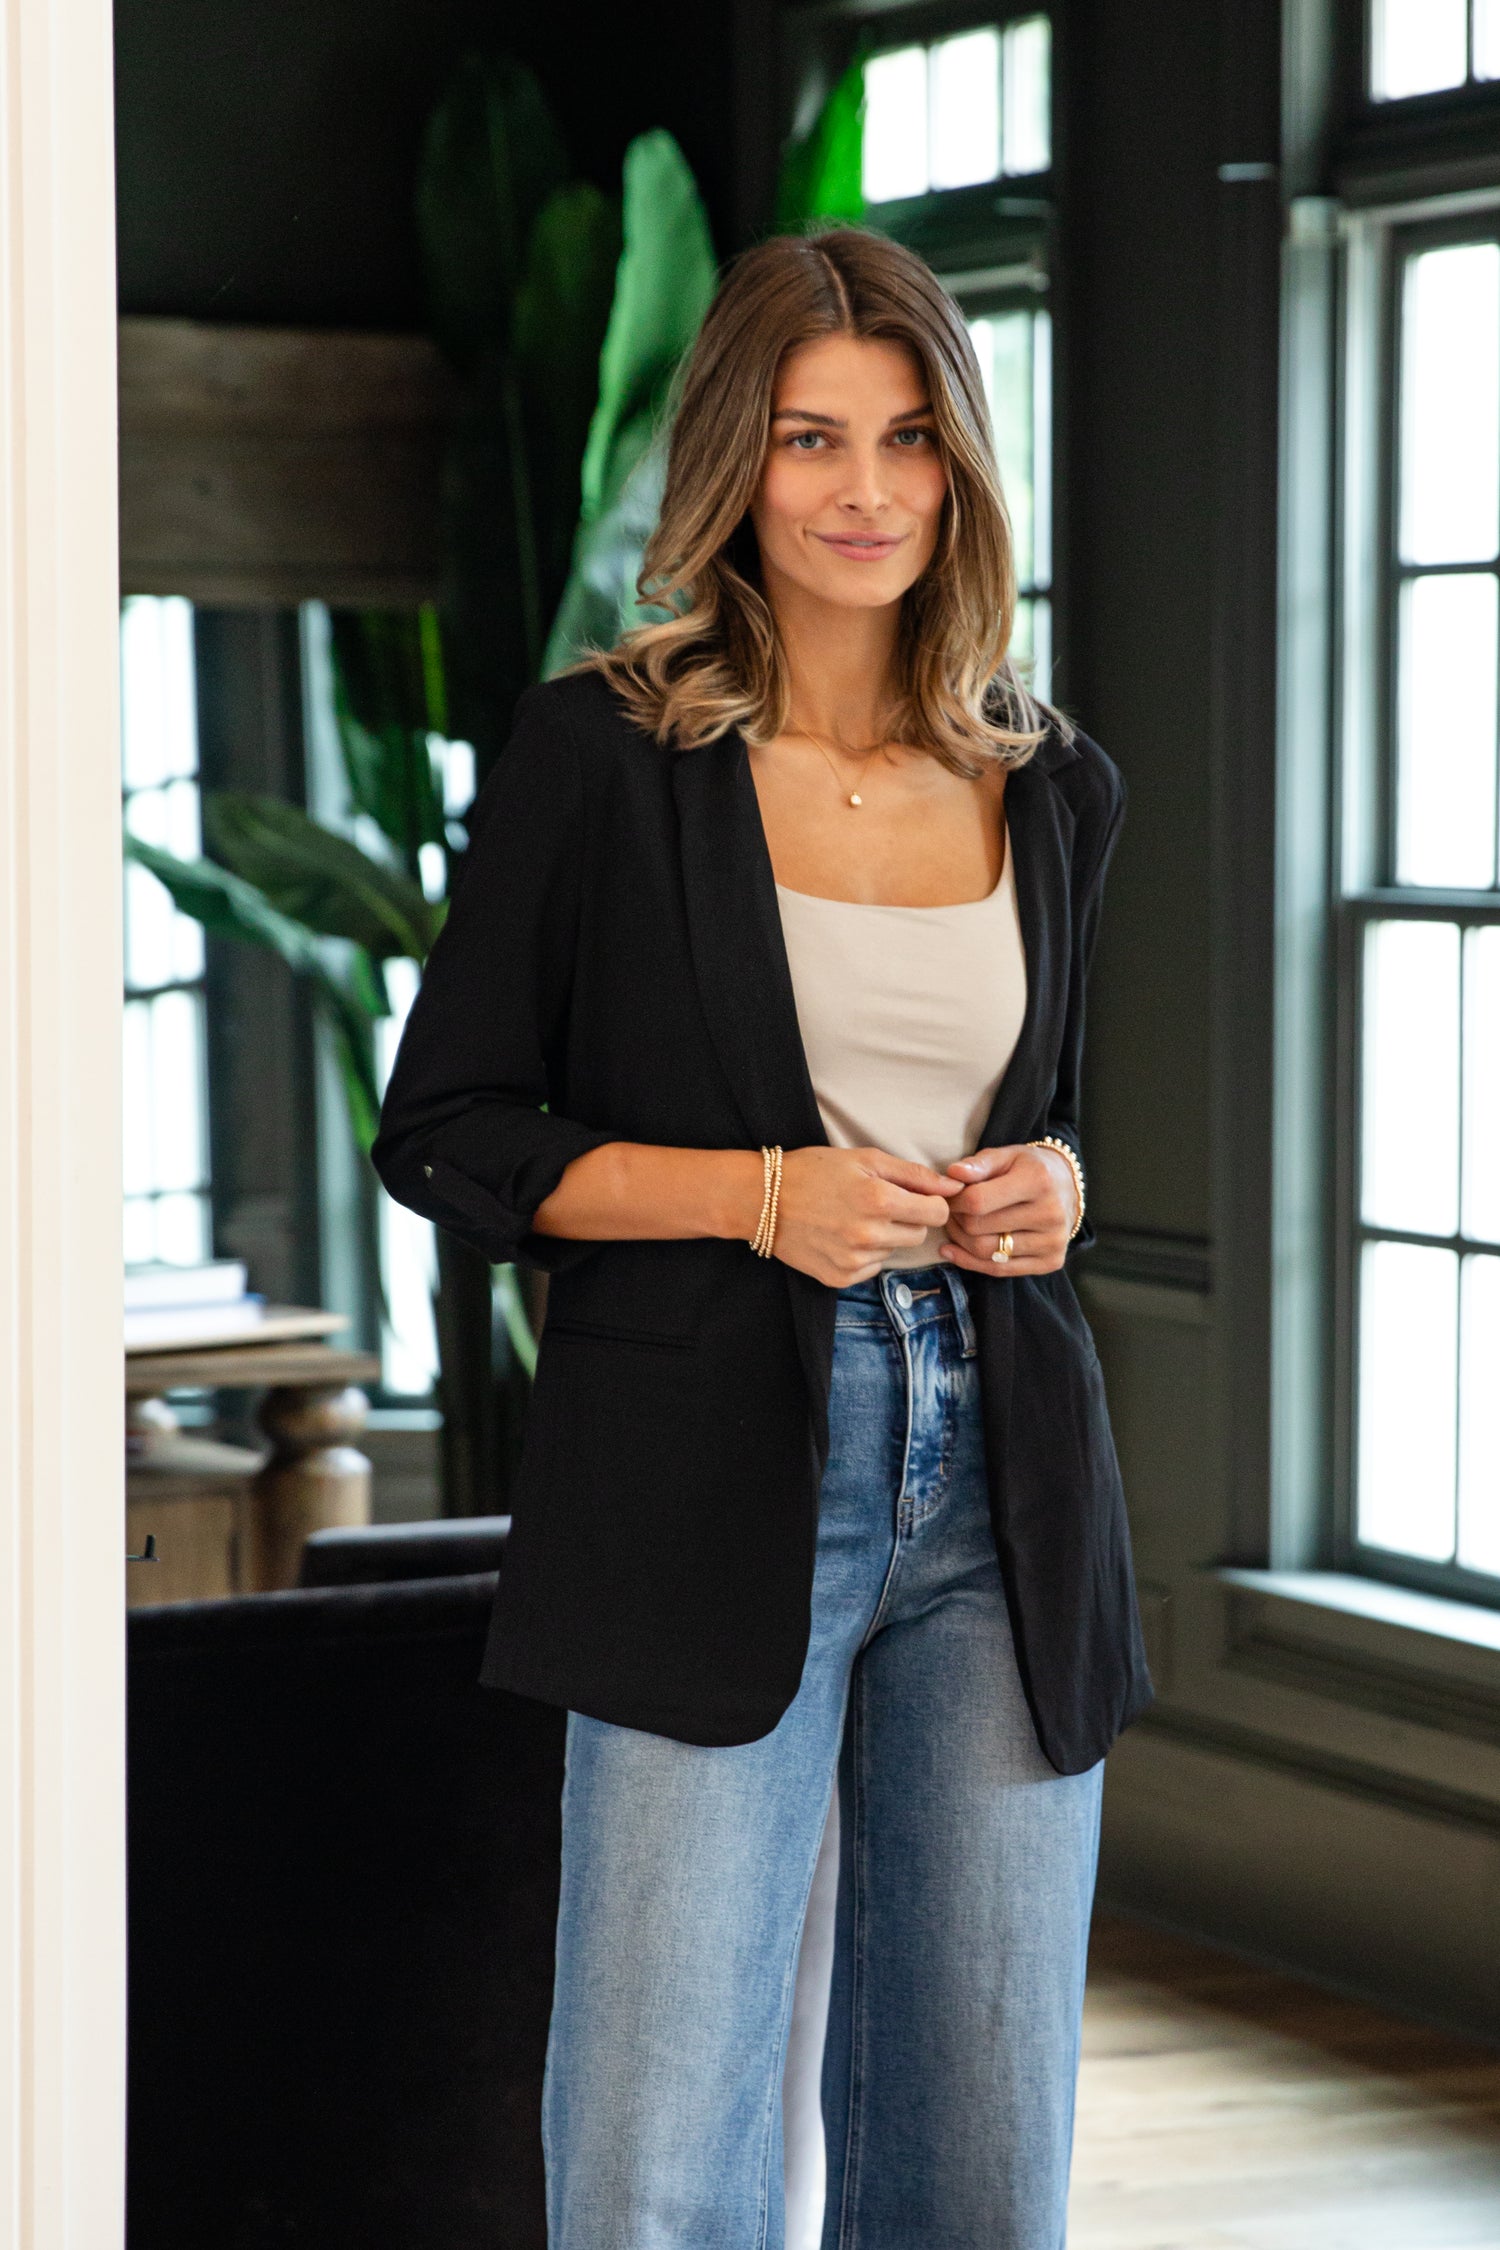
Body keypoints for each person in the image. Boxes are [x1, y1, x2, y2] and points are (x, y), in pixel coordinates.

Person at [374, 225, 1153, 2250]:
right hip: (704, 1467)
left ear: (962, 465)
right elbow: (446, 1135)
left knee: (984, 2160)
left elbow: (1041, 1106)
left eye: (908, 437)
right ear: (738, 454)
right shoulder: (603, 758)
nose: (865, 488)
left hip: (1004, 1471)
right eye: (812, 437)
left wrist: (1058, 1186)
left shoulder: (1049, 781)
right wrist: (756, 1195)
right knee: (657, 2160)